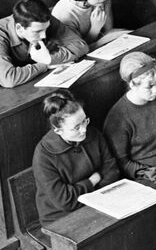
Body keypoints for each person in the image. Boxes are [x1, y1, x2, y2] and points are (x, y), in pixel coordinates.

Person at [31, 91, 120, 224]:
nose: (84, 129)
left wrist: (91, 193)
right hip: (62, 217)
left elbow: (112, 172)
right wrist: (92, 181)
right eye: (76, 127)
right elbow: (65, 201)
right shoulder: (43, 155)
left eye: (84, 121)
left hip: (100, 203)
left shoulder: (93, 133)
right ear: (57, 130)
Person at [0, 0, 88, 94]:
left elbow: (81, 45)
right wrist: (46, 65)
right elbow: (8, 79)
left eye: (46, 29)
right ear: (19, 28)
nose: (43, 35)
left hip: (28, 68)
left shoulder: (43, 22)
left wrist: (50, 59)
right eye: (37, 32)